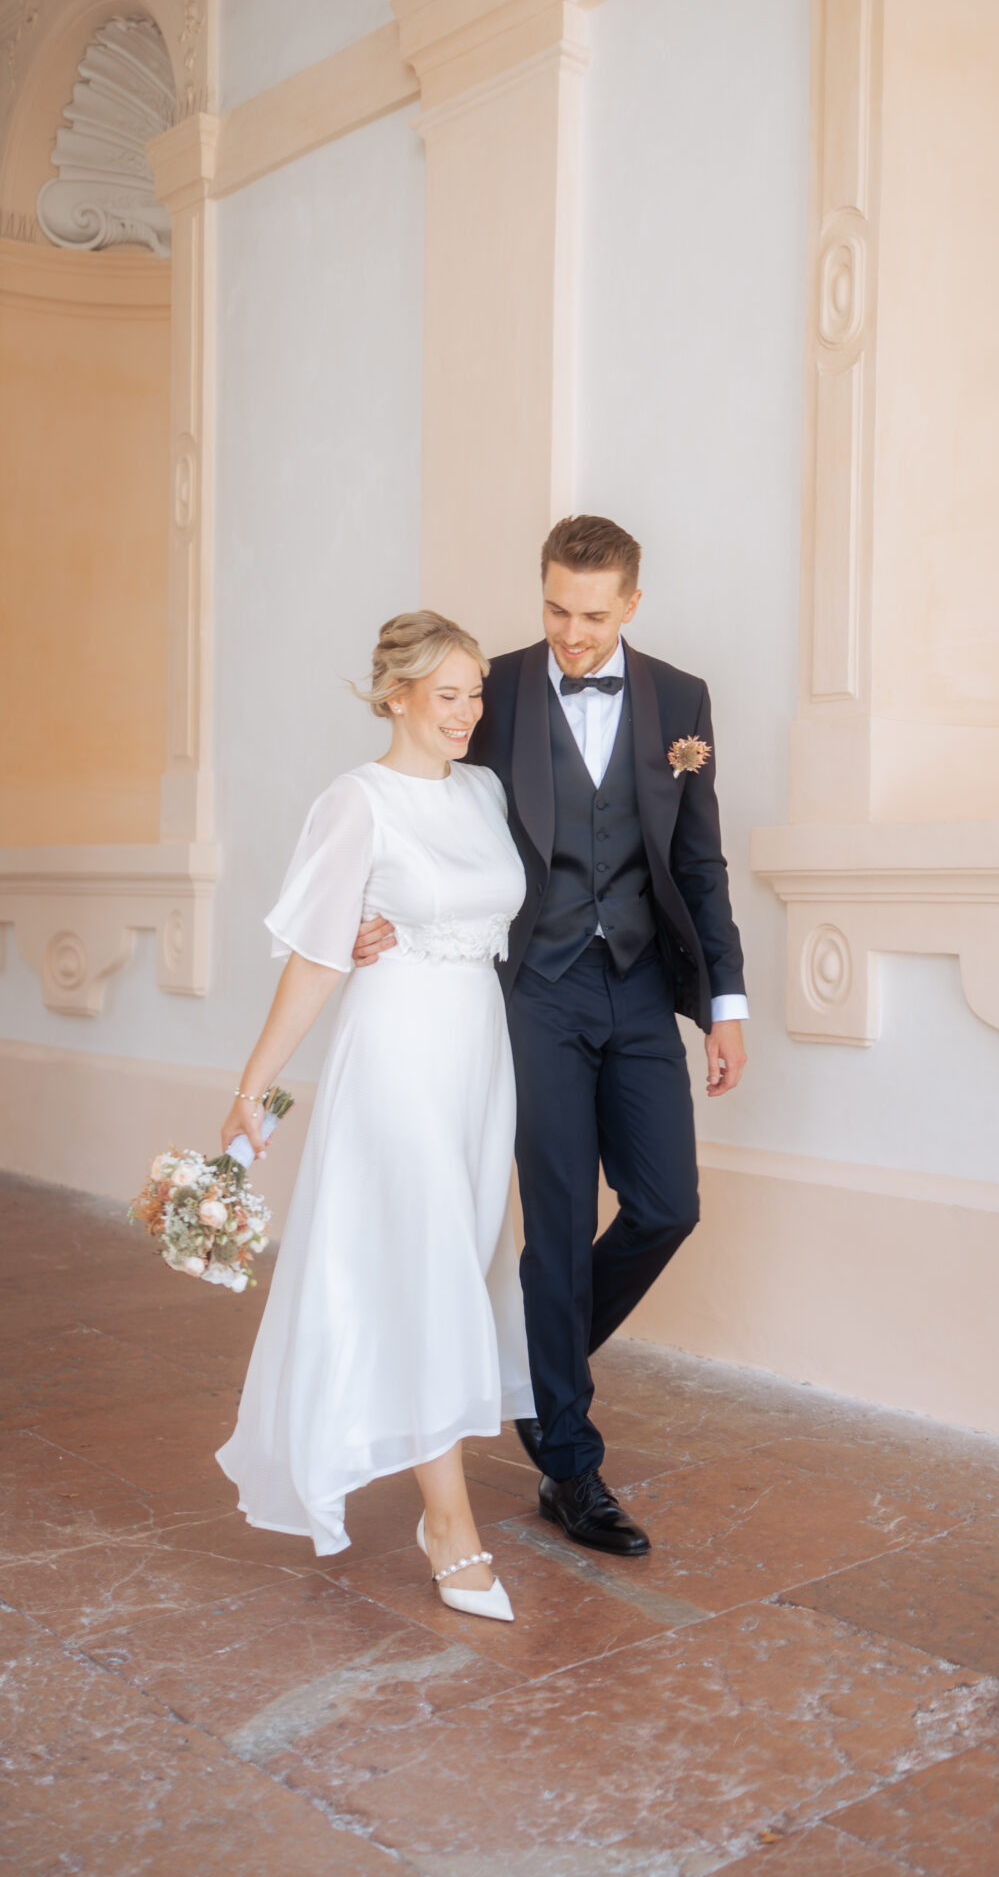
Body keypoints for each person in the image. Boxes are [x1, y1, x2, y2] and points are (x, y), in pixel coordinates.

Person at [354, 516, 747, 1557]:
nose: (572, 635)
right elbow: (423, 801)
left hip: (641, 988)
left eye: (593, 616)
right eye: (556, 610)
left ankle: (535, 1365)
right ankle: (569, 1463)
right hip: (534, 992)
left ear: (631, 605)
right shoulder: (499, 690)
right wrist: (369, 907)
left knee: (666, 1206)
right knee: (560, 1227)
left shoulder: (681, 699)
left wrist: (727, 1004)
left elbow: (698, 863)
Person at [215, 612, 534, 1623]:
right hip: (395, 1054)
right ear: (395, 697)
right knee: (429, 1269)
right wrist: (254, 1087)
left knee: (455, 1260)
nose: (467, 713)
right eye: (447, 695)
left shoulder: (484, 792)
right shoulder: (355, 801)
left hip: (477, 1057)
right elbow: (316, 959)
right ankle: (450, 1524)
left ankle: (432, 1490)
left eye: (475, 693)